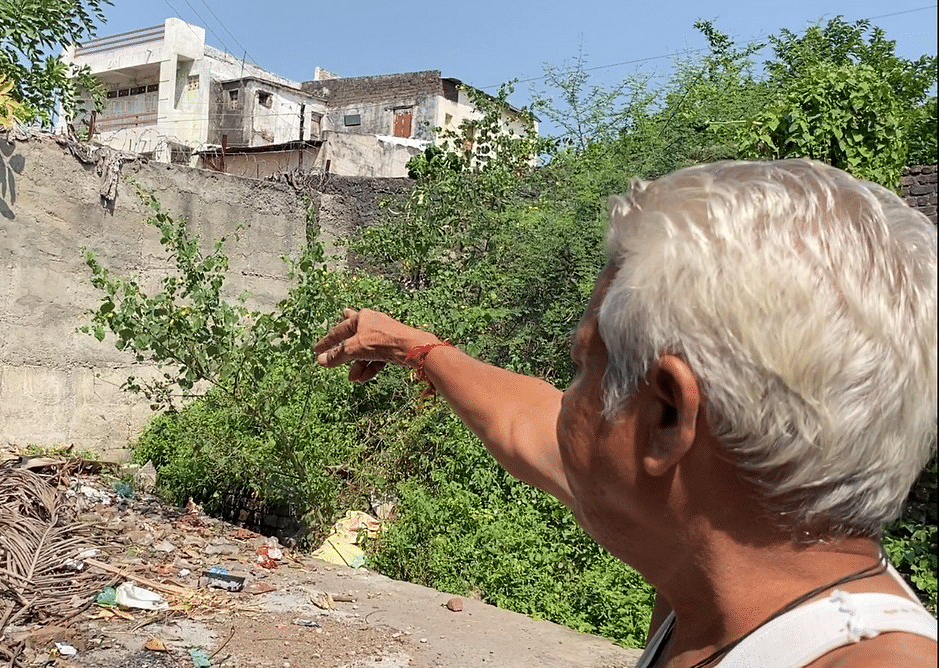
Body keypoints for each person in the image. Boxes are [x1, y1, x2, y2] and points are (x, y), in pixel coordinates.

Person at [312, 159, 938, 667]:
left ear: (669, 416)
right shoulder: (713, 576)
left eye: (585, 369)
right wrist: (414, 348)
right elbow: (523, 420)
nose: (567, 401)